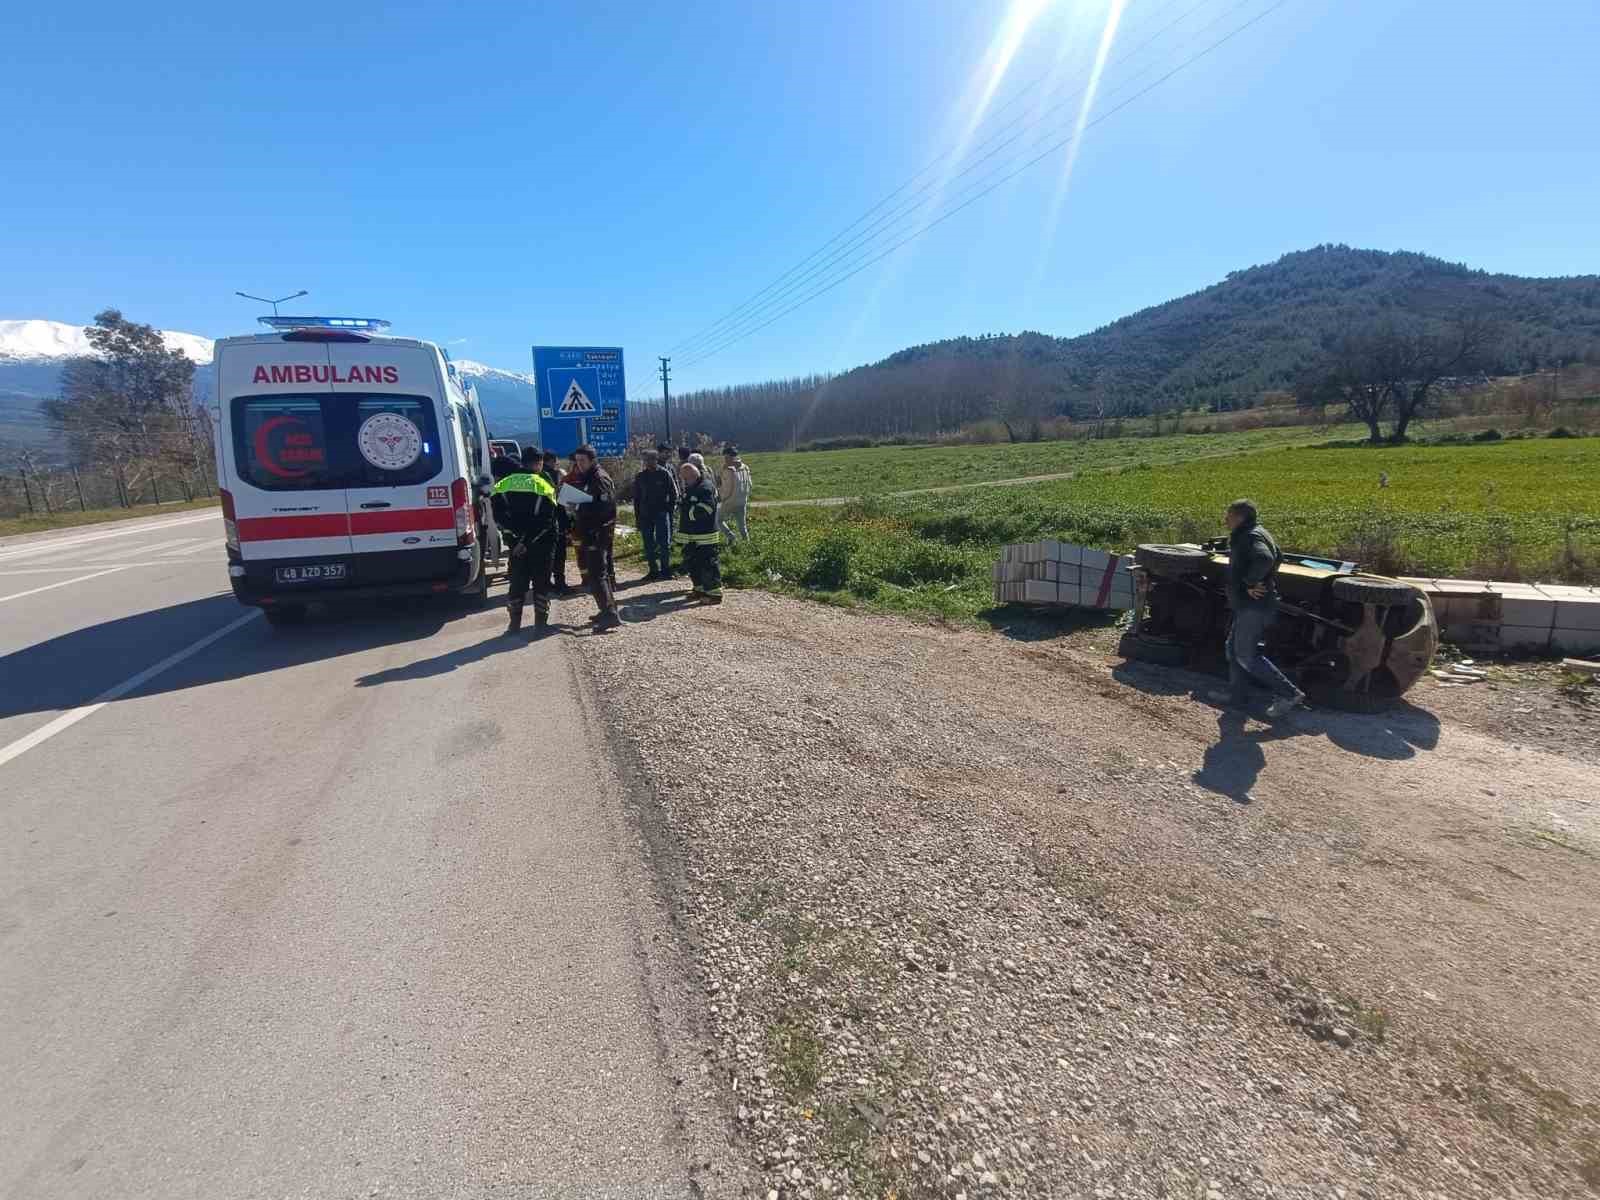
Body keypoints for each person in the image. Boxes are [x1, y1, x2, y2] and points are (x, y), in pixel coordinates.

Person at [1210, 498, 1305, 717]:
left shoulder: (1250, 535)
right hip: (1248, 604)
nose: (1226, 519)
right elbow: (1279, 556)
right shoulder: (1258, 531)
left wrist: (1251, 583)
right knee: (1233, 650)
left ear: (1240, 517)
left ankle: (1289, 693)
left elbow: (1266, 558)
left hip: (1255, 606)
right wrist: (1262, 581)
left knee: (1245, 654)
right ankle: (1237, 695)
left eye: (1229, 515)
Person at [491, 447, 560, 634]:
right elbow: (546, 521)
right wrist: (527, 541)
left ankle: (514, 625)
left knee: (517, 583)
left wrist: (515, 542)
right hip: (541, 544)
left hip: (515, 546)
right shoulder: (544, 486)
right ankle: (540, 624)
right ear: (539, 464)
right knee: (541, 583)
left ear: (522, 462)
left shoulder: (502, 486)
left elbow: (499, 519)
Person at [570, 444, 622, 631]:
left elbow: (604, 507)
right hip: (591, 530)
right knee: (598, 573)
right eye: (577, 461)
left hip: (597, 532)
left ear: (592, 460)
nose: (579, 464)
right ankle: (607, 609)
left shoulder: (599, 478)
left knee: (596, 574)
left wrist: (578, 507)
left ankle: (610, 614)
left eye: (582, 461)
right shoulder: (589, 477)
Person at [675, 461, 722, 603]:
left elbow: (706, 509)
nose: (683, 482)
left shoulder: (705, 487)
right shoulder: (693, 487)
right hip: (692, 535)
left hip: (705, 535)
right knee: (693, 563)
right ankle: (700, 589)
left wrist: (687, 511)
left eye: (685, 479)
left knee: (707, 564)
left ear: (692, 476)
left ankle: (714, 594)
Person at [633, 449, 678, 581]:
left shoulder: (664, 474)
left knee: (664, 543)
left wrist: (669, 510)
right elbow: (636, 498)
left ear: (655, 459)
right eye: (645, 460)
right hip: (645, 514)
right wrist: (637, 517)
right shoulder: (640, 476)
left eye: (650, 459)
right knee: (648, 544)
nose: (647, 462)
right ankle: (653, 570)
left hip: (661, 513)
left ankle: (665, 570)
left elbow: (674, 493)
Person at [540, 450, 573, 594]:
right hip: (556, 519)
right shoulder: (555, 475)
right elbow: (563, 500)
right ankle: (560, 584)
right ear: (552, 461)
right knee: (559, 555)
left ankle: (545, 583)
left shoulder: (535, 477)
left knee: (546, 555)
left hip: (541, 522)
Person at [717, 444, 752, 543]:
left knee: (718, 520)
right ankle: (747, 544)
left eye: (725, 457)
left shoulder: (728, 470)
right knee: (742, 525)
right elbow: (750, 484)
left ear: (729, 457)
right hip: (742, 500)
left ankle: (731, 537)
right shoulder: (746, 468)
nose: (725, 460)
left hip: (729, 501)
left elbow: (726, 487)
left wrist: (722, 498)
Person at [655, 442, 680, 575]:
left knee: (668, 535)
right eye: (665, 452)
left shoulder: (670, 467)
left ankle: (666, 563)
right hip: (658, 508)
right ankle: (660, 565)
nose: (668, 454)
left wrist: (677, 499)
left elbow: (676, 483)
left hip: (669, 506)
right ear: (659, 453)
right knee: (660, 537)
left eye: (669, 452)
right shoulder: (655, 467)